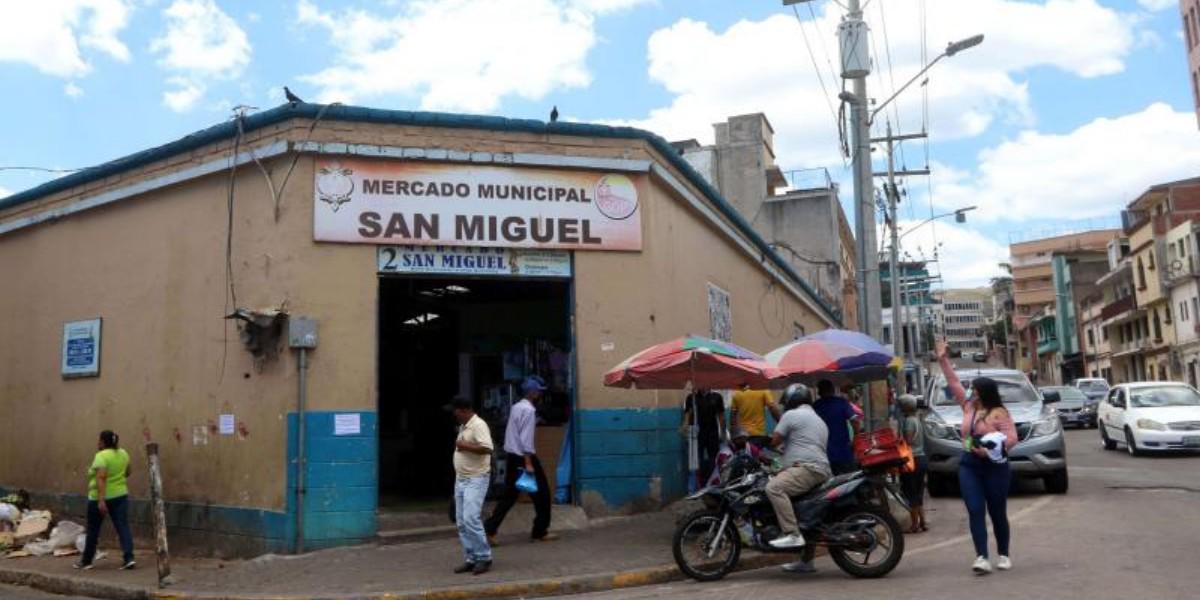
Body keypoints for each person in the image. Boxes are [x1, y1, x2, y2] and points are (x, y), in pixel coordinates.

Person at [935, 340, 1018, 575]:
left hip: (994, 466)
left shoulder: (1000, 413)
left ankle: (1003, 554)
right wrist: (942, 358)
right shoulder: (968, 407)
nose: (970, 391)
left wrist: (992, 449)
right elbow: (952, 382)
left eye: (974, 389)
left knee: (997, 510)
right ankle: (981, 556)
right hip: (969, 464)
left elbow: (1011, 438)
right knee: (974, 509)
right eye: (970, 389)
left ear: (984, 392)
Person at [485, 376, 556, 543]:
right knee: (543, 495)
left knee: (510, 496)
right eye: (538, 391)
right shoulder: (529, 411)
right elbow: (526, 439)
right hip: (524, 458)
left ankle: (490, 529)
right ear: (533, 393)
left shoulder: (516, 407)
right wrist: (529, 463)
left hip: (513, 457)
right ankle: (540, 531)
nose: (540, 394)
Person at [765, 384, 831, 552]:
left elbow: (774, 441)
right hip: (821, 470)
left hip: (807, 469)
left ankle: (792, 534)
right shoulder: (819, 419)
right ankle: (806, 562)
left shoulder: (791, 415)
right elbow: (799, 444)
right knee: (802, 512)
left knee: (774, 488)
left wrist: (761, 442)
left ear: (792, 399)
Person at [448, 396, 494, 575]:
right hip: (461, 479)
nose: (454, 414)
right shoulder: (464, 426)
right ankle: (471, 557)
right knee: (461, 521)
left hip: (476, 478)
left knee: (471, 519)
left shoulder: (479, 425)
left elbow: (488, 448)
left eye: (455, 411)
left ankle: (484, 557)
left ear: (463, 410)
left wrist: (464, 445)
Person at [75, 430, 134, 571]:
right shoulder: (123, 453)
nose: (98, 443)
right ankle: (129, 558)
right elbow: (128, 471)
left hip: (99, 498)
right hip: (120, 496)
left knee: (93, 530)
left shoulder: (101, 456)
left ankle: (86, 561)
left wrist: (101, 500)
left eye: (99, 440)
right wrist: (118, 478)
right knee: (123, 527)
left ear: (102, 442)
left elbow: (101, 478)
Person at [812, 380, 861, 475]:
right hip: (844, 453)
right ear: (833, 390)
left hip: (823, 456)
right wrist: (855, 439)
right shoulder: (841, 403)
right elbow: (855, 421)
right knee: (850, 481)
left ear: (819, 392)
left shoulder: (815, 406)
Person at [897, 394, 928, 534]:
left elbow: (908, 441)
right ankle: (923, 522)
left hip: (912, 460)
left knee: (911, 493)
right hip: (920, 458)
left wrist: (897, 442)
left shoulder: (909, 421)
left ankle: (914, 524)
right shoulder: (916, 419)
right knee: (918, 492)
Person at [682, 388, 726, 487]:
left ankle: (714, 484)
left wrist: (723, 433)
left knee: (714, 459)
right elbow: (688, 414)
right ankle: (694, 487)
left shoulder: (716, 397)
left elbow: (721, 416)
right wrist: (685, 426)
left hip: (712, 433)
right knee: (695, 460)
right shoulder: (691, 397)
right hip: (696, 433)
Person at [731, 384, 781, 449]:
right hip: (758, 435)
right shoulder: (762, 390)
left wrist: (734, 436)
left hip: (743, 437)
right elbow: (772, 408)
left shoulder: (737, 393)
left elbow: (732, 417)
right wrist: (781, 423)